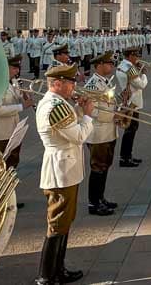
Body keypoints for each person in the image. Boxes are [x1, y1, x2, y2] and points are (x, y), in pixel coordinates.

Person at [35, 63, 95, 285]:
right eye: (70, 82)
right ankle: (47, 276)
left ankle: (58, 270)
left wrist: (79, 110)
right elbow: (78, 135)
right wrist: (87, 116)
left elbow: (68, 129)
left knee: (64, 221)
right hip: (60, 170)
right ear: (57, 83)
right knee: (57, 223)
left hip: (66, 167)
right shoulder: (54, 106)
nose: (74, 86)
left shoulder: (60, 103)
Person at [0, 56, 32, 172]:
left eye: (18, 68)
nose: (17, 71)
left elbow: (17, 97)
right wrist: (21, 106)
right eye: (14, 68)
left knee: (11, 164)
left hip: (13, 130)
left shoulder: (14, 81)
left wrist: (25, 95)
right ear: (4, 67)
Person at [85, 52, 119, 216]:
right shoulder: (92, 85)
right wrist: (115, 115)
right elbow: (93, 112)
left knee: (105, 166)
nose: (111, 66)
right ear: (99, 65)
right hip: (98, 134)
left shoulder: (105, 82)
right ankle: (93, 202)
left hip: (108, 131)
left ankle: (101, 197)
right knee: (98, 168)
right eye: (108, 63)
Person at [116, 48, 148, 168]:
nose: (138, 58)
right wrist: (143, 74)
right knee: (131, 130)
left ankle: (127, 156)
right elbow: (141, 85)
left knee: (130, 130)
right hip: (133, 102)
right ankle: (125, 158)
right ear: (130, 56)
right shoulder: (130, 68)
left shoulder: (122, 65)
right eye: (136, 56)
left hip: (126, 99)